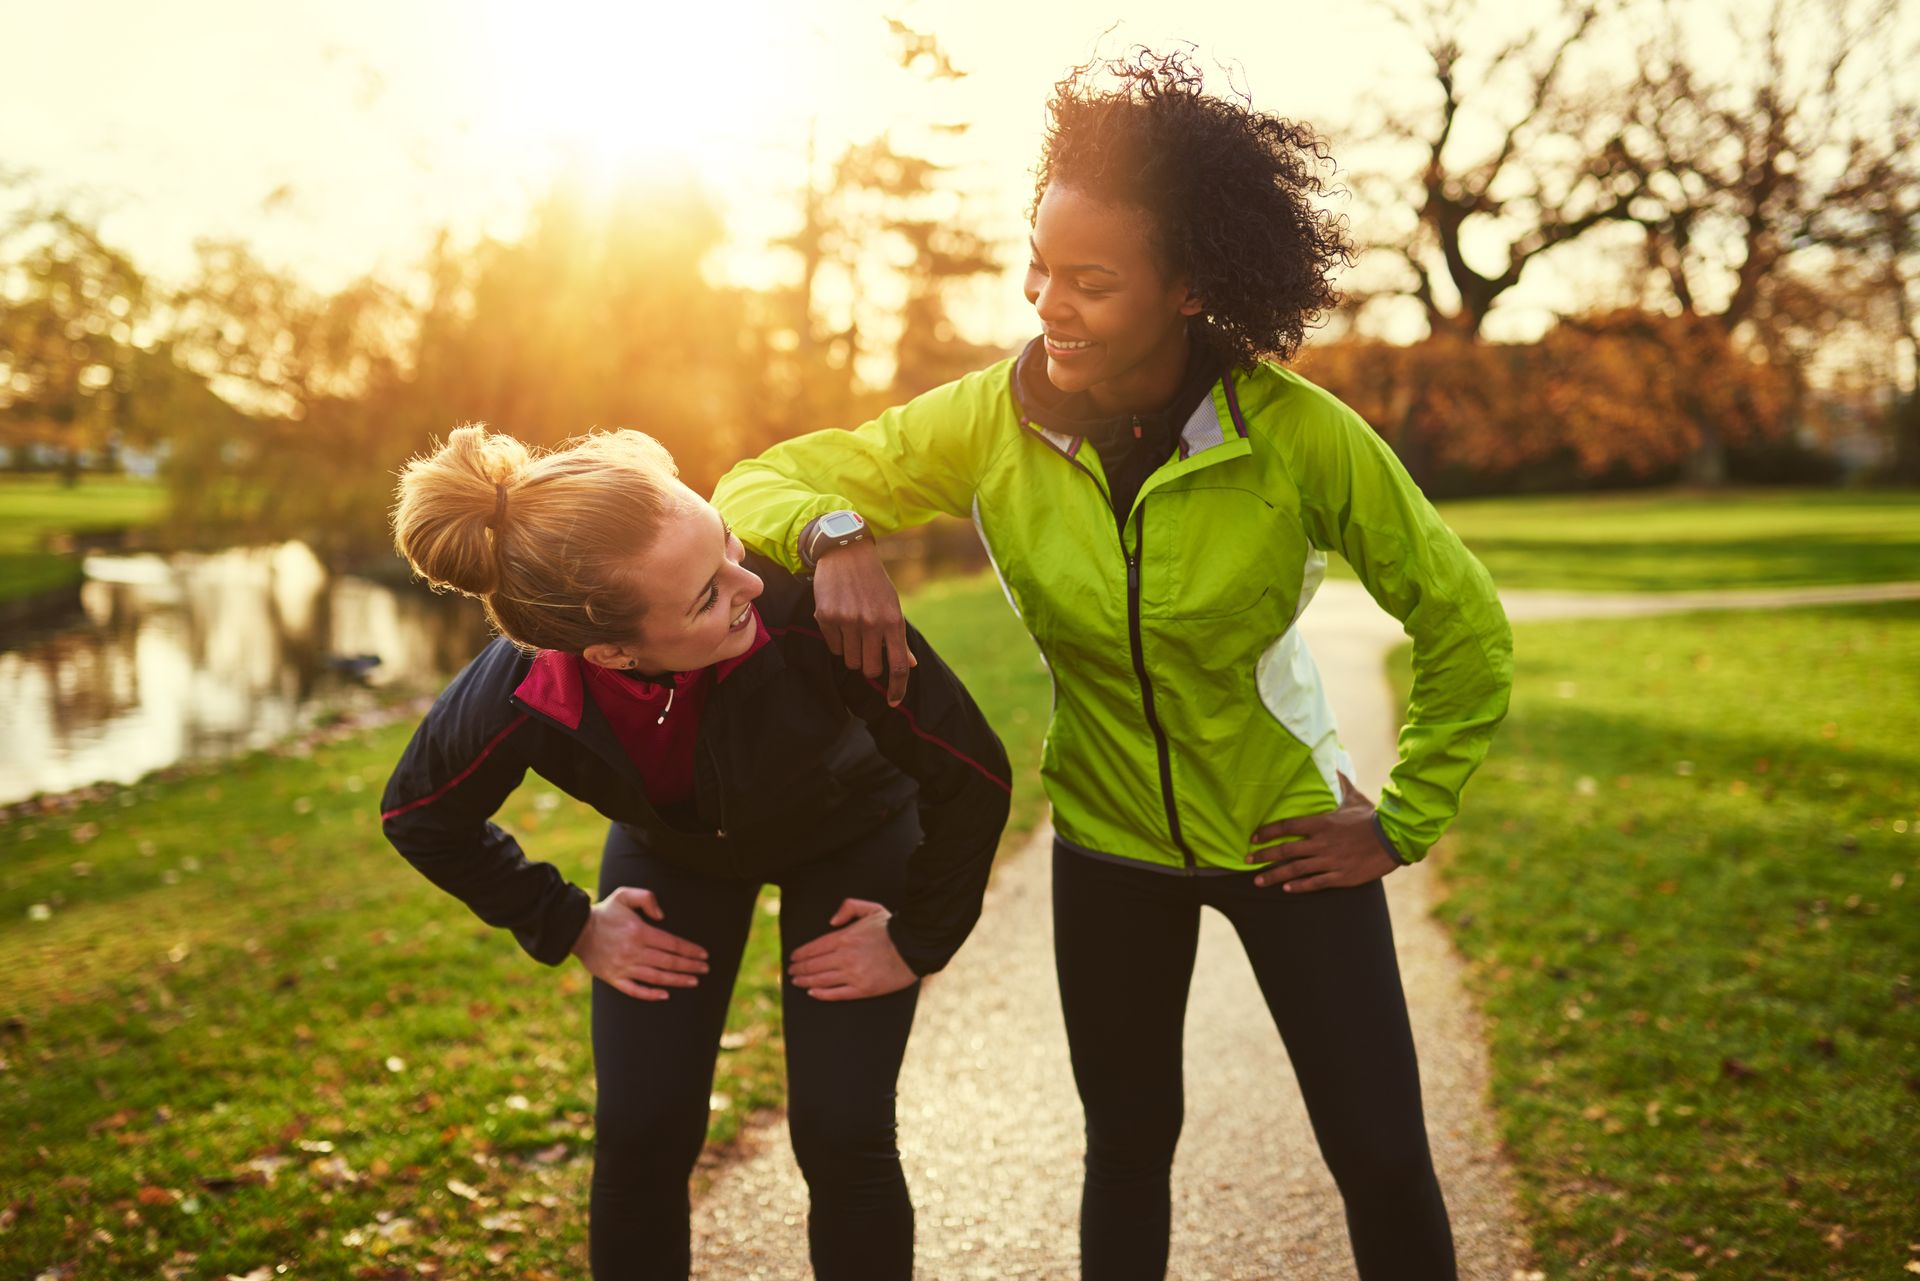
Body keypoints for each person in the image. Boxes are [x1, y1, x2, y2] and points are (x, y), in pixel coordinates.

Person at [712, 50, 1513, 1281]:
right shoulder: (991, 419)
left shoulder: (1296, 436)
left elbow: (1464, 623)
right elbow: (759, 481)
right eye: (1037, 265)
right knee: (1127, 1149)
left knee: (1381, 1154)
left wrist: (1401, 821)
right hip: (1106, 842)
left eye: (1090, 281)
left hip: (1284, 837)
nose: (1048, 302)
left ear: (1192, 286)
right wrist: (835, 539)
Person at [379, 425, 1011, 1280]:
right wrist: (568, 923)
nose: (751, 581)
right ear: (609, 653)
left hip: (853, 832)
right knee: (641, 1133)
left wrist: (916, 937)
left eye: (729, 546)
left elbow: (971, 773)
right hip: (672, 855)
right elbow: (420, 813)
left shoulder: (810, 609)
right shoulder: (523, 687)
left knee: (842, 1128)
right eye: (708, 595)